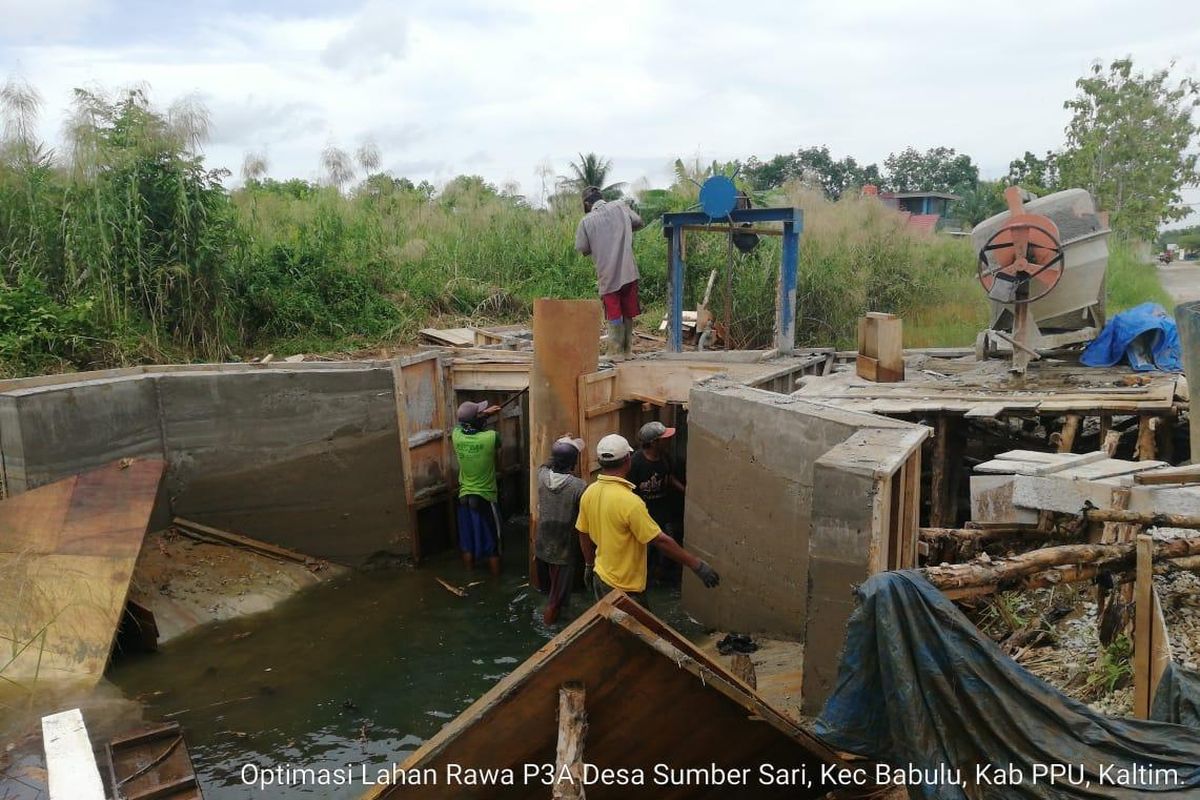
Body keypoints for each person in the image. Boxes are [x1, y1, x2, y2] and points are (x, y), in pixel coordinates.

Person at [576, 433, 719, 607]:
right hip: (624, 587)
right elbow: (659, 540)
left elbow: (583, 532)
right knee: (639, 633)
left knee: (614, 630)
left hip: (601, 577)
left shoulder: (590, 492)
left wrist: (589, 564)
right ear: (628, 459)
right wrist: (697, 565)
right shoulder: (630, 502)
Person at [574, 186, 645, 360]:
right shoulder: (620, 206)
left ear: (587, 203)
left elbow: (582, 248)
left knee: (614, 311)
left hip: (608, 273)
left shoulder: (586, 221)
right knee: (628, 310)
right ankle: (627, 351)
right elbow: (638, 222)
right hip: (628, 270)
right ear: (602, 197)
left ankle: (615, 352)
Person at [534, 436, 587, 625]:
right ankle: (548, 634)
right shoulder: (578, 486)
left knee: (549, 593)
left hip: (541, 547)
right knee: (555, 600)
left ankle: (551, 619)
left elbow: (547, 463)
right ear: (573, 463)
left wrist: (560, 444)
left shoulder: (541, 475)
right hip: (563, 552)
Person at [628, 421, 687, 583]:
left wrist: (686, 492)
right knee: (645, 552)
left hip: (663, 514)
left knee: (668, 548)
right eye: (664, 438)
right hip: (644, 515)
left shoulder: (665, 458)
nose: (668, 441)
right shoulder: (636, 462)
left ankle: (660, 576)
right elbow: (629, 489)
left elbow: (669, 478)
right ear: (654, 442)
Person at [452, 399, 502, 574]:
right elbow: (498, 443)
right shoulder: (490, 437)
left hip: (464, 497)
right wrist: (487, 415)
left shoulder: (456, 436)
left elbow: (461, 426)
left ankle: (469, 575)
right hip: (484, 498)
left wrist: (483, 414)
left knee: (467, 544)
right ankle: (496, 583)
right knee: (493, 545)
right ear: (477, 420)